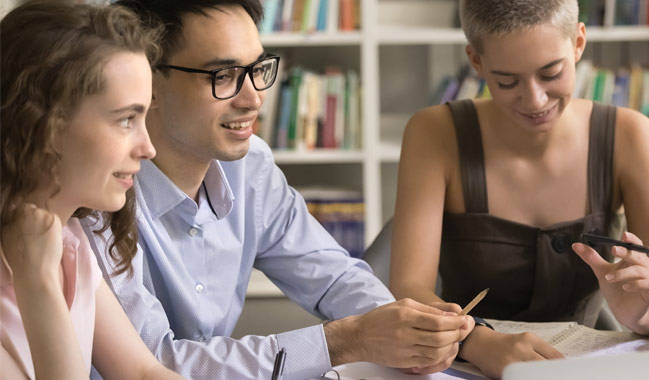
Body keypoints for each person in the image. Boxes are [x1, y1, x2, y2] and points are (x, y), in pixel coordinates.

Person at [84, 1, 473, 378]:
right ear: (147, 79)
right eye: (224, 76)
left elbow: (333, 277)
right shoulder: (96, 196)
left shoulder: (250, 165)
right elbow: (151, 363)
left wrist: (408, 332)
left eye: (258, 69)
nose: (254, 98)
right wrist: (344, 341)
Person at [387, 0, 649, 377]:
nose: (534, 100)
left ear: (578, 43)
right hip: (462, 363)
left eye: (551, 73)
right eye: (507, 81)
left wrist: (643, 312)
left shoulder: (630, 136)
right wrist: (476, 342)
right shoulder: (434, 134)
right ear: (475, 61)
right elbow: (410, 289)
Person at [0, 2, 183, 379]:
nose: (148, 148)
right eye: (126, 119)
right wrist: (39, 287)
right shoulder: (38, 262)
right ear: (43, 122)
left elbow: (143, 372)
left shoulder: (71, 241)